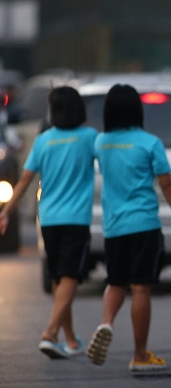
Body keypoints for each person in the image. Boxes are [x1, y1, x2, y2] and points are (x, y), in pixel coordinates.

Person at [87, 84, 171, 371]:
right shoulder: (149, 143)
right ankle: (139, 354)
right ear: (137, 109)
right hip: (144, 225)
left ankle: (106, 323)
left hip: (114, 227)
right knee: (141, 288)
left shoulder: (100, 143)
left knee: (115, 281)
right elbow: (167, 184)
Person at [0, 86, 97, 359]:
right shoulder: (89, 137)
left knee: (58, 277)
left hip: (49, 219)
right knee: (70, 276)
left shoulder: (44, 141)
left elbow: (25, 180)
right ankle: (51, 332)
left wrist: (6, 211)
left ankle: (70, 341)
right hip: (76, 219)